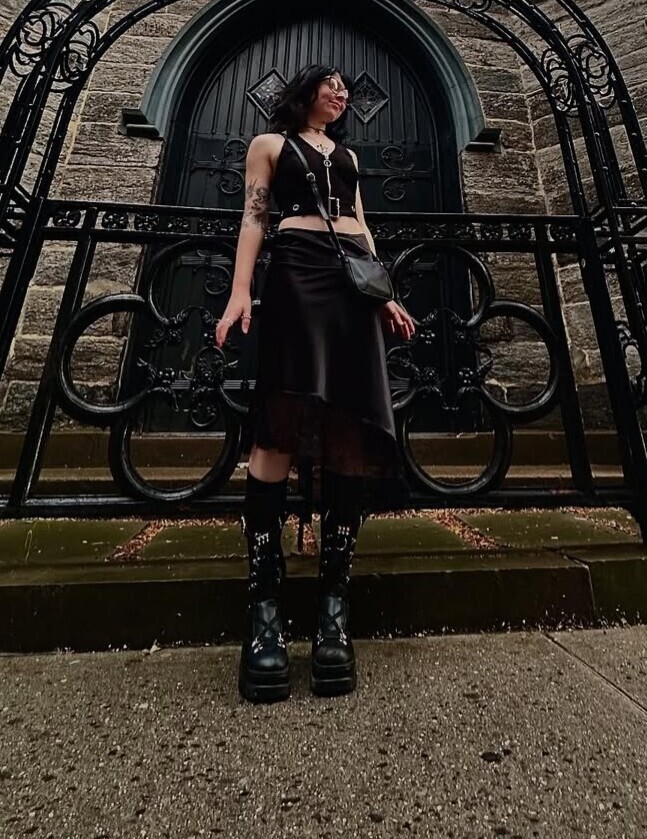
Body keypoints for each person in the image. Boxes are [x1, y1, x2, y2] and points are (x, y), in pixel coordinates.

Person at [215, 64, 415, 703]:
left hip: (352, 281)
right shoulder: (269, 145)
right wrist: (240, 291)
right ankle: (264, 609)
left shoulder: (349, 156)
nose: (341, 92)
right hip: (298, 273)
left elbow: (362, 223)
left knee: (351, 419)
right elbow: (254, 218)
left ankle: (333, 608)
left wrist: (383, 292)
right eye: (330, 84)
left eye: (346, 87)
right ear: (305, 92)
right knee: (283, 411)